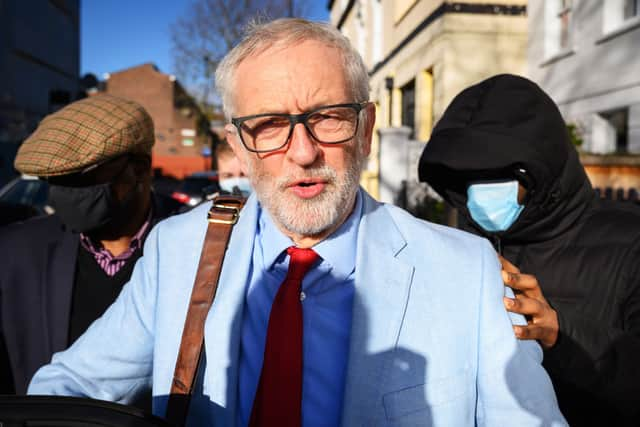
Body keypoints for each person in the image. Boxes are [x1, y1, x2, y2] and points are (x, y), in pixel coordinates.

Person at [28, 20, 566, 426]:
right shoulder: (179, 248)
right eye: (267, 126)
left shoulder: (464, 270)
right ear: (239, 143)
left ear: (367, 127)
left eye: (328, 117)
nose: (303, 152)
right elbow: (71, 384)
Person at [418, 73, 640, 426]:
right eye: (469, 178)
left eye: (500, 173)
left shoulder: (629, 241)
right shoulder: (467, 243)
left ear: (542, 170)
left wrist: (560, 333)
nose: (482, 192)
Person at [0, 94, 176, 395]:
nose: (66, 194)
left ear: (141, 168)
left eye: (83, 179)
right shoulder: (16, 252)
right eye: (56, 181)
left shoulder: (193, 243)